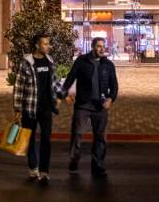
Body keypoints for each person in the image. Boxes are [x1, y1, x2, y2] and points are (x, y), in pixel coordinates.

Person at [57, 37, 118, 178]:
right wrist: (63, 94)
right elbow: (70, 78)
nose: (102, 49)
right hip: (83, 105)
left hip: (100, 106)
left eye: (103, 46)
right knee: (77, 133)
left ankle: (98, 165)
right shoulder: (81, 61)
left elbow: (114, 85)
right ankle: (74, 158)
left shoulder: (108, 65)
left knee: (100, 137)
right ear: (92, 47)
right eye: (98, 46)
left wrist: (111, 99)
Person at [12, 32, 59, 184]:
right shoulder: (26, 62)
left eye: (48, 43)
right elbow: (19, 86)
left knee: (46, 140)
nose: (48, 46)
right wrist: (17, 109)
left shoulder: (50, 60)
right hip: (30, 108)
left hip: (46, 109)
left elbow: (55, 82)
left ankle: (44, 171)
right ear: (37, 45)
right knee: (30, 140)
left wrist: (63, 95)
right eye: (45, 44)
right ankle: (33, 168)